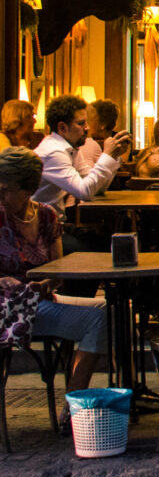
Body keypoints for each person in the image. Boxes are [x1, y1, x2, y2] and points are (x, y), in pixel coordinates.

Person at [0, 146, 108, 427]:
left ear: (28, 190)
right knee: (95, 319)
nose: (0, 195)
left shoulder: (46, 216)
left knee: (106, 310)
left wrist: (44, 284)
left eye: (5, 190)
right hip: (7, 308)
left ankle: (74, 398)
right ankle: (74, 410)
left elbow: (58, 272)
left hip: (38, 302)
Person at [32, 94, 131, 217]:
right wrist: (106, 155)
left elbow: (97, 189)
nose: (87, 128)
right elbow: (84, 192)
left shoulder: (71, 148)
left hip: (54, 224)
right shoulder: (54, 152)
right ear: (62, 127)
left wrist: (113, 157)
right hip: (40, 230)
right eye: (81, 123)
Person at [76, 99, 119, 173]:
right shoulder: (85, 141)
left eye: (89, 119)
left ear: (103, 124)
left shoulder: (118, 141)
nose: (86, 125)